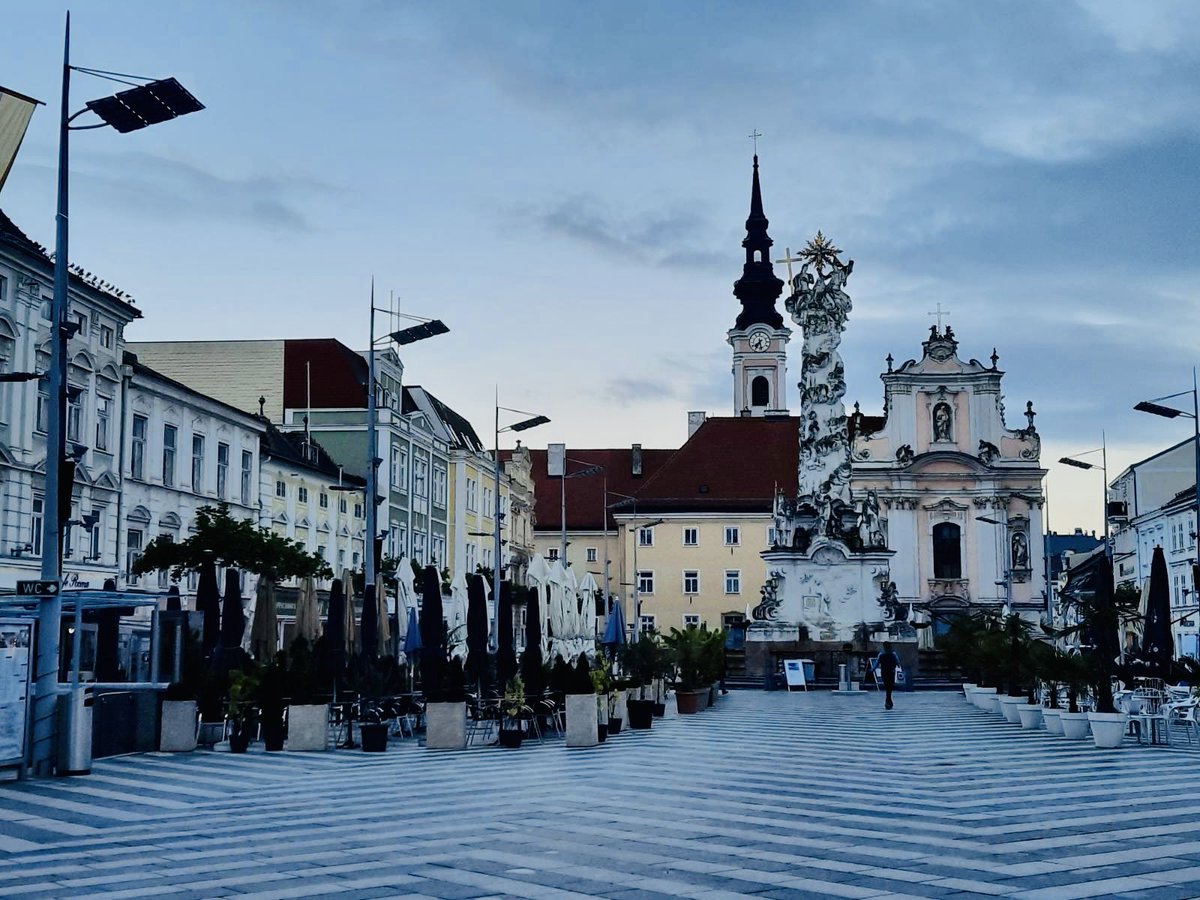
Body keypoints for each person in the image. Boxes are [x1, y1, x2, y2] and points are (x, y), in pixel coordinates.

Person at [872, 641, 901, 710]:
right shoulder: (893, 654)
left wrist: (873, 669)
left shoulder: (881, 654)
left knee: (887, 686)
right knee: (889, 687)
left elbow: (877, 663)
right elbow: (898, 663)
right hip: (891, 672)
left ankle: (888, 701)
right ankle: (888, 701)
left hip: (884, 672)